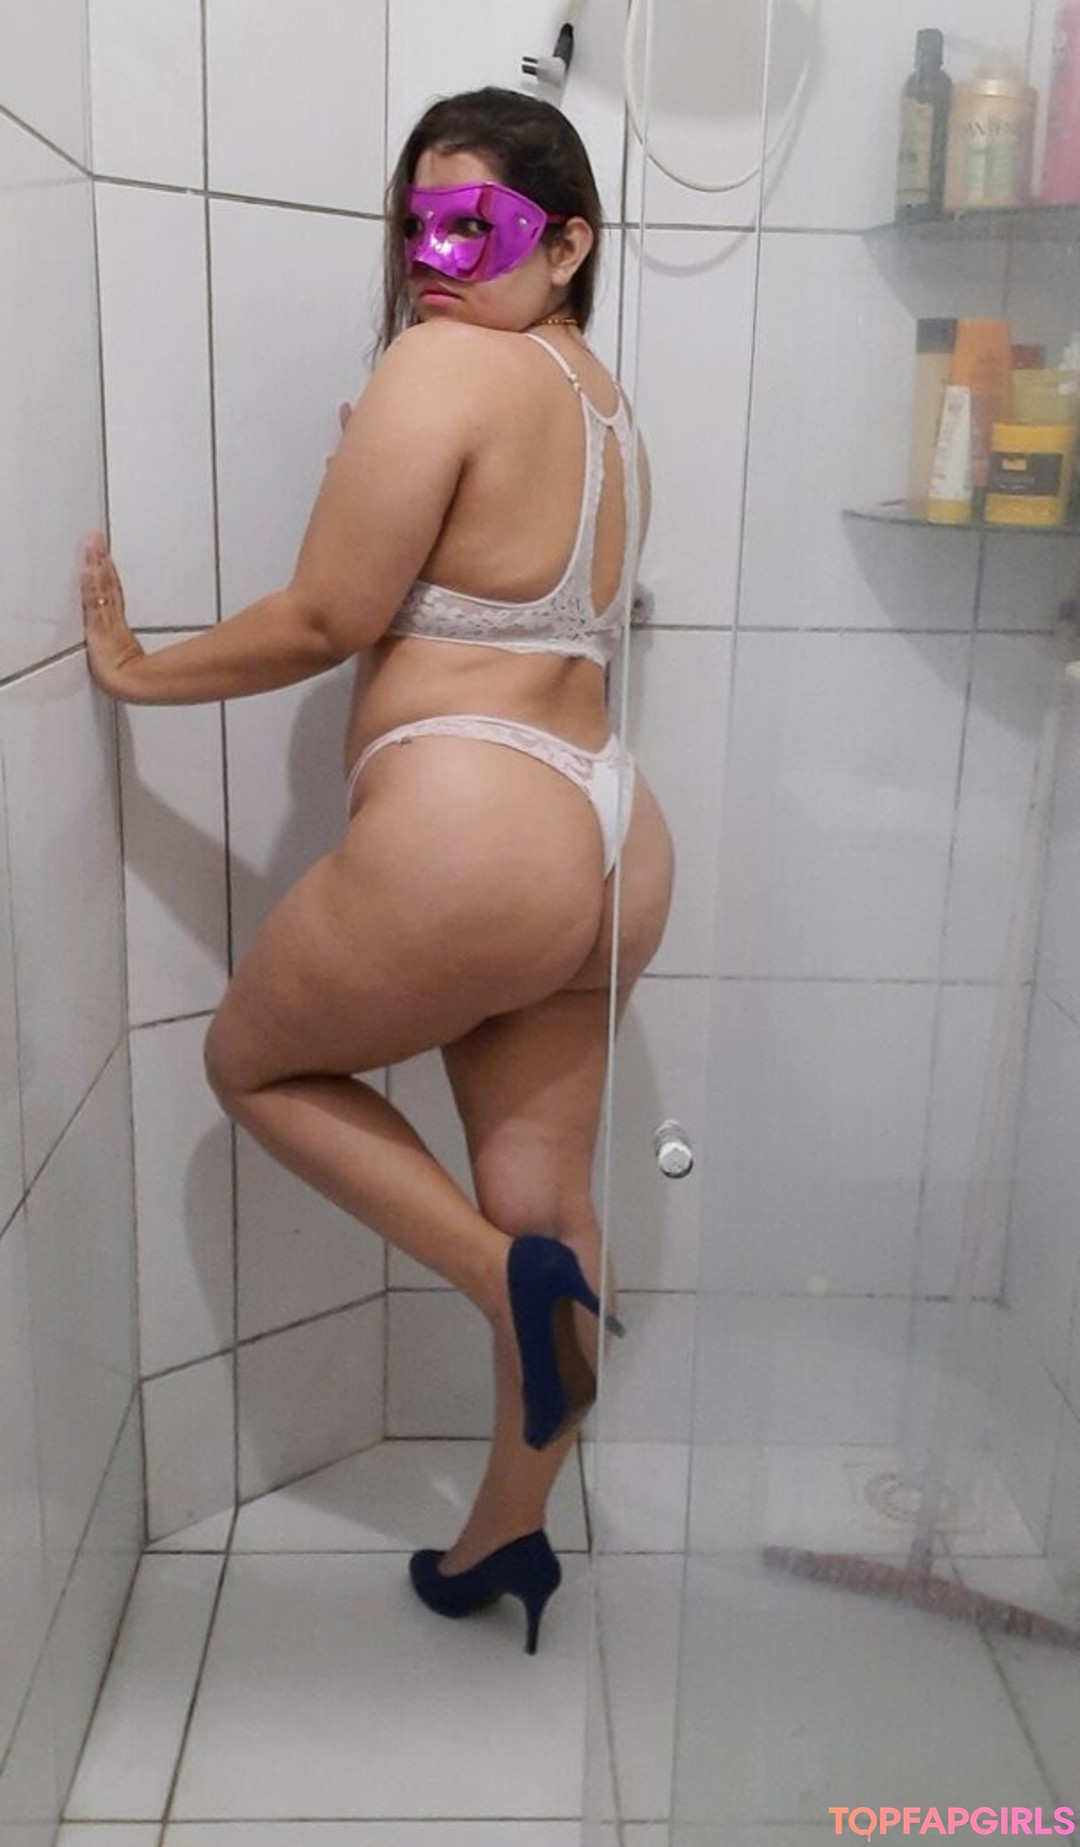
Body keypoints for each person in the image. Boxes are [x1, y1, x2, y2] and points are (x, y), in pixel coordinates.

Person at [81, 86, 674, 1655]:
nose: (431, 255)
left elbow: (325, 617)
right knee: (551, 1193)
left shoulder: (444, 366)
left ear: (569, 243)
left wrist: (138, 673)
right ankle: (507, 1536)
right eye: (416, 225)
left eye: (473, 225)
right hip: (611, 841)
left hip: (476, 834)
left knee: (252, 1066)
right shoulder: (602, 401)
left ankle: (500, 1278)